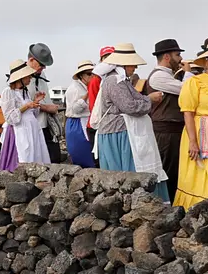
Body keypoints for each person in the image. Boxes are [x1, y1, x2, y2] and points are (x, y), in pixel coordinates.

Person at [94, 43, 169, 202]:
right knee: (124, 173)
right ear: (123, 63)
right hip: (117, 132)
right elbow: (130, 106)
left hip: (120, 131)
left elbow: (134, 99)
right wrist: (150, 100)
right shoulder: (114, 80)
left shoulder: (122, 80)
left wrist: (146, 99)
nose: (135, 67)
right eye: (132, 64)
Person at [175, 41, 208, 208]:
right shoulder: (195, 82)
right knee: (205, 171)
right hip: (200, 132)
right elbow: (188, 112)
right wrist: (192, 141)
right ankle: (203, 208)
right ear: (205, 61)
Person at [146, 38, 186, 197]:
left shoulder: (167, 76)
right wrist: (188, 73)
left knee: (175, 169)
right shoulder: (158, 77)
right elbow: (186, 90)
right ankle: (167, 205)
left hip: (172, 130)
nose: (181, 59)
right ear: (167, 57)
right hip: (166, 132)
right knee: (169, 169)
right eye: (177, 55)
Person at [0, 60, 53, 172]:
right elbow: (10, 118)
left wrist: (35, 102)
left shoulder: (24, 92)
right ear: (20, 78)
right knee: (23, 158)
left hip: (32, 131)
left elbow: (33, 114)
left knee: (35, 156)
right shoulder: (8, 92)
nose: (30, 78)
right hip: (20, 132)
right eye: (28, 76)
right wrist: (27, 106)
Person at [26, 43, 62, 162]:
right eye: (42, 64)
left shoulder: (41, 74)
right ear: (31, 60)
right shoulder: (20, 77)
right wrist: (46, 108)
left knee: (54, 158)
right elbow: (23, 103)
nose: (44, 68)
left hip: (45, 124)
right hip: (31, 127)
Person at [64, 60, 96, 167]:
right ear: (81, 75)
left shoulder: (86, 86)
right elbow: (75, 109)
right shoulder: (74, 89)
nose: (92, 76)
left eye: (93, 73)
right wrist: (87, 94)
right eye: (89, 74)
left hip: (86, 121)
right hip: (77, 123)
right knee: (83, 153)